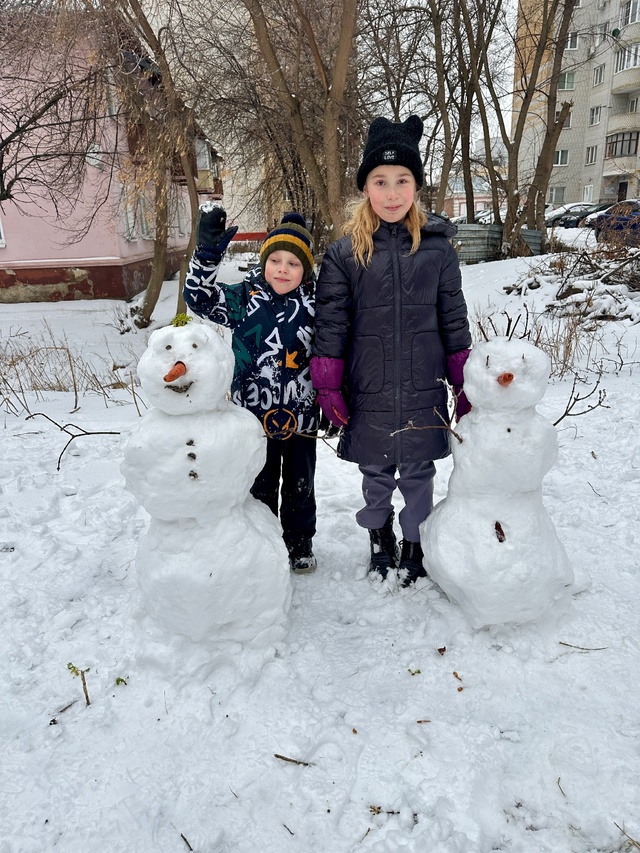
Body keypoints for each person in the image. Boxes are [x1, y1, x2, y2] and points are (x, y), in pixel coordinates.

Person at [310, 115, 472, 587]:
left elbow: (453, 320)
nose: (392, 192)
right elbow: (331, 322)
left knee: (419, 471)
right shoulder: (345, 254)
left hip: (423, 383)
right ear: (365, 188)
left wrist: (463, 380)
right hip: (369, 383)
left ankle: (416, 541)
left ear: (417, 187)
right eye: (380, 181)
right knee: (376, 469)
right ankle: (379, 535)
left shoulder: (439, 251)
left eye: (403, 181)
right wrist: (327, 384)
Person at [184, 205, 320, 574]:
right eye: (275, 259)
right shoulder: (244, 297)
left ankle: (299, 541)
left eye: (293, 263)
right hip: (250, 417)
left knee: (300, 483)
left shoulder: (317, 302)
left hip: (301, 415)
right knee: (258, 483)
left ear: (305, 269)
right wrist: (206, 257)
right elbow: (198, 299)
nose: (283, 269)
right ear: (264, 262)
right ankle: (262, 540)